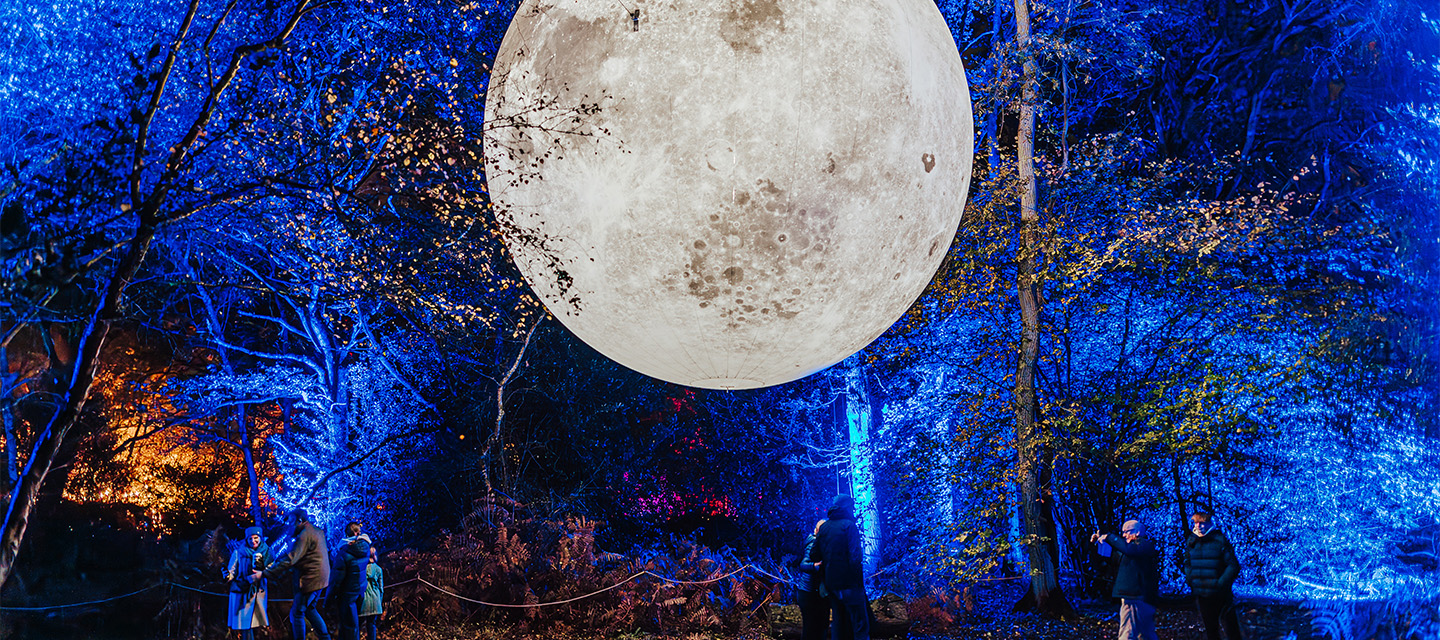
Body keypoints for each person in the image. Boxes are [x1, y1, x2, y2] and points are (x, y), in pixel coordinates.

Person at [257, 508, 331, 640]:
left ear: (300, 520)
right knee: (310, 609)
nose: (289, 525)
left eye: (292, 522)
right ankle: (325, 637)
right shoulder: (316, 531)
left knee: (296, 614)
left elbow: (291, 559)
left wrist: (265, 573)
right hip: (321, 579)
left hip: (310, 581)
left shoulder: (304, 535)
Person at [1092, 520, 1159, 640]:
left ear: (1138, 532)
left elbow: (1129, 550)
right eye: (1123, 532)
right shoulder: (1130, 549)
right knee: (1146, 633)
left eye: (1127, 531)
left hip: (1136, 596)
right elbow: (1112, 560)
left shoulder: (1144, 545)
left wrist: (1110, 537)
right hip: (1134, 596)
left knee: (1128, 633)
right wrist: (1100, 543)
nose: (1124, 535)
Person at [1184, 511, 1243, 640]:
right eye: (1196, 522)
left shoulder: (1219, 541)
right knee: (1211, 630)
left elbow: (1233, 566)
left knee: (1231, 629)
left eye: (1201, 522)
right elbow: (1187, 563)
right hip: (1202, 593)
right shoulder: (1192, 541)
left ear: (1208, 523)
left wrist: (1220, 583)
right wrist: (1191, 580)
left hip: (1220, 594)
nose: (1198, 526)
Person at [815, 495, 869, 640]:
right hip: (850, 584)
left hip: (832, 584)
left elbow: (814, 555)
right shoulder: (849, 526)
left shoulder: (824, 527)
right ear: (847, 507)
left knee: (838, 623)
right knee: (860, 625)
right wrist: (857, 582)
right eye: (851, 507)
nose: (853, 509)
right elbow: (855, 557)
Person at [225, 526, 273, 640]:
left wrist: (262, 572)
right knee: (245, 625)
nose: (253, 541)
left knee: (257, 623)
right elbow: (231, 571)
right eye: (250, 539)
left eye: (255, 538)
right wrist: (227, 576)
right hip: (243, 592)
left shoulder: (267, 552)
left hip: (258, 592)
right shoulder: (239, 553)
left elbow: (272, 569)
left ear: (260, 538)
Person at [331, 521, 371, 640]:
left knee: (348, 626)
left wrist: (329, 597)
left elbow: (336, 579)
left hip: (347, 593)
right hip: (360, 590)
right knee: (354, 625)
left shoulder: (344, 553)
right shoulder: (366, 547)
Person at [795, 519, 829, 640]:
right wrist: (815, 566)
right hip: (808, 592)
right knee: (811, 629)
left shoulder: (820, 543)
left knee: (818, 627)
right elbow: (803, 564)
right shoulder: (814, 543)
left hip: (814, 592)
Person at [359, 544, 384, 640]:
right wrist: (379, 601)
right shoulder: (378, 569)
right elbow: (381, 588)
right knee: (372, 625)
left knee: (358, 624)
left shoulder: (361, 569)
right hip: (375, 601)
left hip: (364, 600)